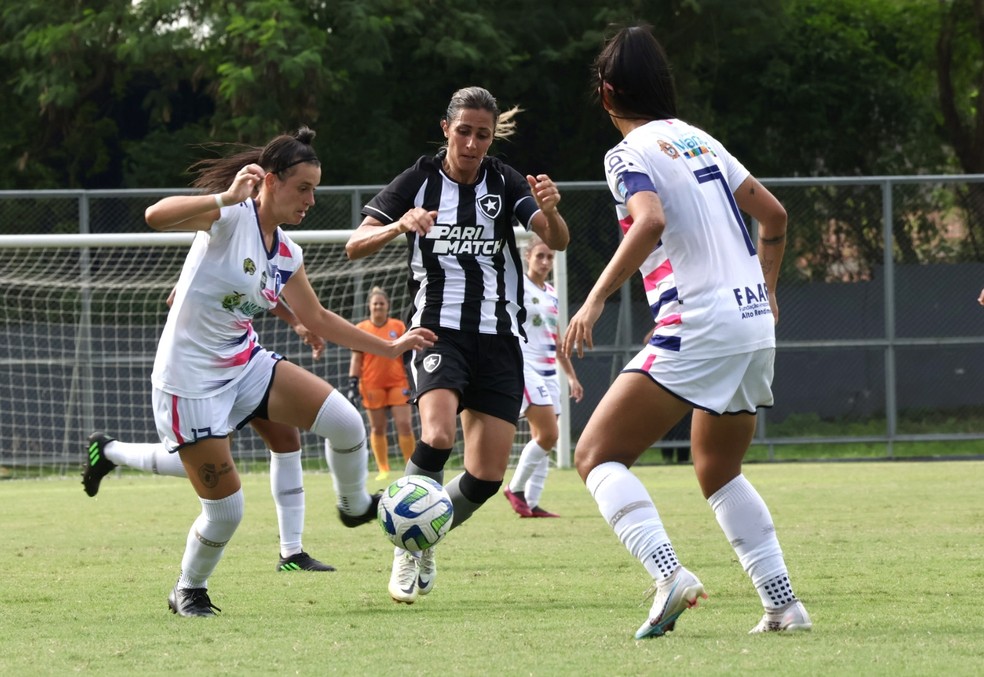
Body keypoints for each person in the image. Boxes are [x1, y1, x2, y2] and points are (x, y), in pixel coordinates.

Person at [562, 25, 812, 639]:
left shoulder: (627, 153)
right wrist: (769, 290)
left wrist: (593, 301)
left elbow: (648, 221)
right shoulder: (702, 140)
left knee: (595, 456)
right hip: (752, 319)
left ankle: (668, 574)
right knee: (717, 468)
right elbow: (774, 216)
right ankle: (783, 605)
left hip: (698, 322)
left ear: (607, 92)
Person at [137, 126, 435, 616]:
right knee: (227, 511)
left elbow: (316, 318)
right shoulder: (230, 216)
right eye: (303, 188)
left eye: (315, 189)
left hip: (244, 363)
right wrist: (225, 196)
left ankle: (355, 505)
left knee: (345, 422)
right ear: (270, 182)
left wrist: (390, 346)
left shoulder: (287, 252)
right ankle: (189, 588)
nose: (311, 200)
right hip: (188, 382)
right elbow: (154, 216)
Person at [345, 86, 570, 604]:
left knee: (487, 474)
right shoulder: (418, 180)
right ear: (446, 128)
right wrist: (400, 224)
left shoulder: (504, 181)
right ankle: (406, 544)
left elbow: (555, 240)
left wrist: (552, 212)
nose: (471, 143)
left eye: (482, 135)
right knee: (439, 433)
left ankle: (426, 535)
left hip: (499, 338)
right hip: (436, 331)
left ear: (491, 138)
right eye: (463, 131)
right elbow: (355, 245)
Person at [82, 291, 336, 572]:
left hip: (246, 360)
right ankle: (111, 451)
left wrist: (295, 321)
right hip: (208, 371)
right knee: (211, 466)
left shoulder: (264, 250)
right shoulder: (214, 250)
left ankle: (292, 553)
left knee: (286, 439)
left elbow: (260, 287)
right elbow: (176, 297)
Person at [502, 234, 583, 518]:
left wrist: (571, 377)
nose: (546, 261)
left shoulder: (551, 293)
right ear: (528, 257)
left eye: (550, 257)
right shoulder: (517, 286)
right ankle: (514, 488)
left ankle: (532, 503)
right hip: (525, 367)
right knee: (549, 433)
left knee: (544, 439)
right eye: (540, 256)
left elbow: (557, 339)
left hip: (550, 371)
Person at [347, 287, 416, 482]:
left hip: (398, 382)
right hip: (371, 384)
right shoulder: (361, 328)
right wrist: (352, 383)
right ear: (369, 306)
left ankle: (411, 467)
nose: (378, 306)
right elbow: (356, 359)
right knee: (378, 428)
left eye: (381, 303)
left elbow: (407, 355)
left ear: (387, 306)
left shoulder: (398, 326)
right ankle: (383, 469)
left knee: (404, 425)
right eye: (375, 303)